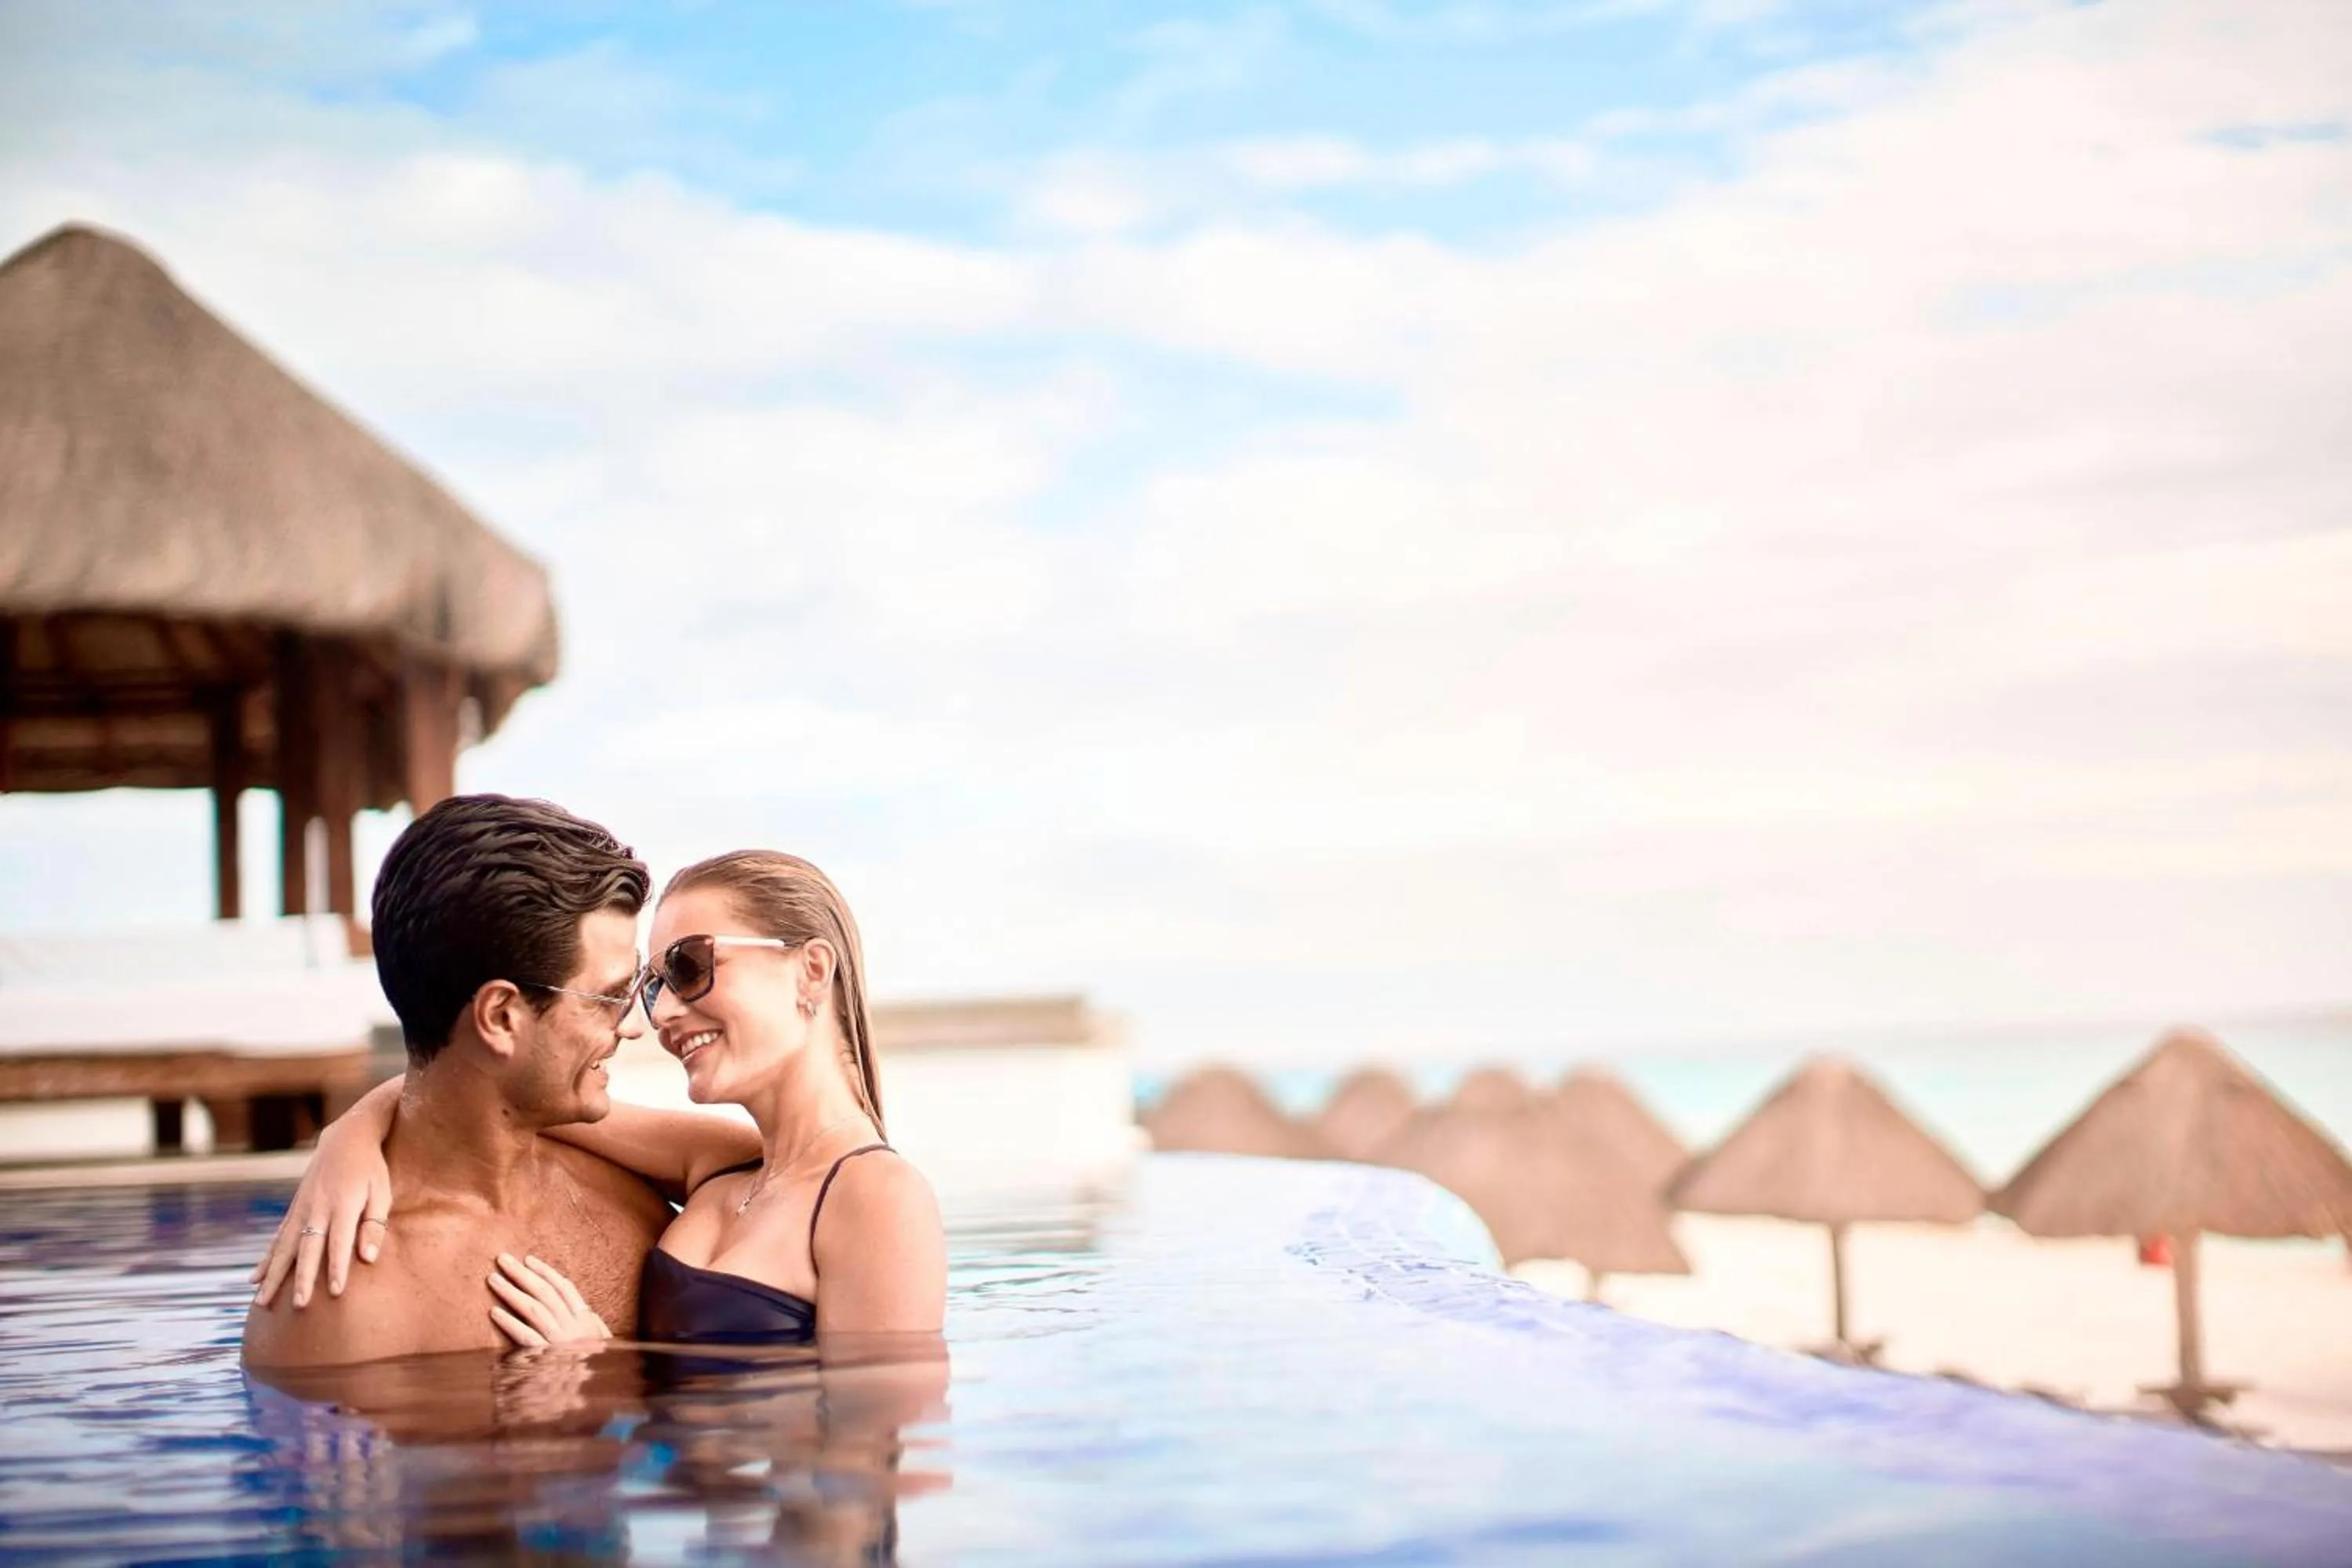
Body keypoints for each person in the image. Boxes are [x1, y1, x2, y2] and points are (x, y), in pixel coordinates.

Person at [257, 844, 946, 1350]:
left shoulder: (875, 1196)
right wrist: (350, 1136)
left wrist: (598, 1361)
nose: (660, 1014)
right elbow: (478, 1087)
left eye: (688, 967)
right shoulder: (725, 1163)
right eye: (651, 984)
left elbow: (870, 1452)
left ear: (811, 970)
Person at [243, 794, 764, 1367]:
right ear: (499, 1016)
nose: (635, 1027)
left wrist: (357, 1123)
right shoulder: (340, 1303)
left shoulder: (633, 1187)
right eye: (608, 998)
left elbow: (772, 1165)